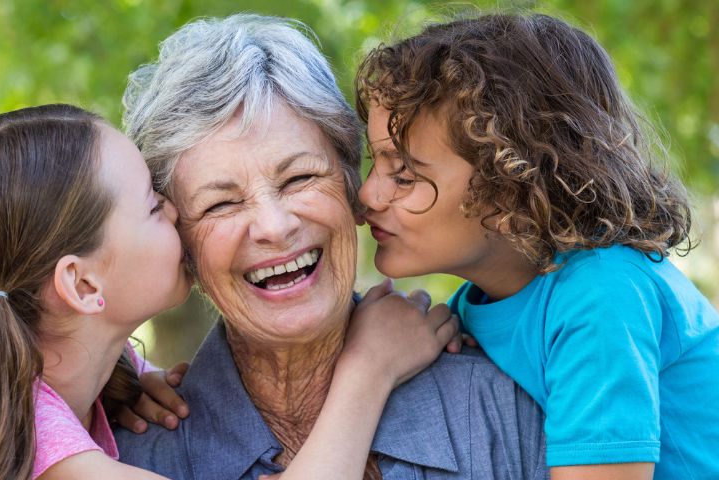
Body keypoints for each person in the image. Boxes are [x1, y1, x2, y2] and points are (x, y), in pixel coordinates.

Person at [0, 104, 460, 479]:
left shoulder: (33, 374)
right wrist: (369, 370)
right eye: (152, 204)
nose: (177, 211)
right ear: (83, 283)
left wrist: (123, 377)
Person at [355, 13, 719, 480]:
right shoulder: (475, 307)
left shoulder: (601, 290)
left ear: (513, 189)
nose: (367, 195)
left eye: (403, 175)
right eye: (375, 165)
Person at [115, 14, 548, 480]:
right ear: (181, 245)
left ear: (350, 187)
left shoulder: (506, 403)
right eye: (221, 203)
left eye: (300, 177)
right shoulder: (128, 456)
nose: (275, 227)